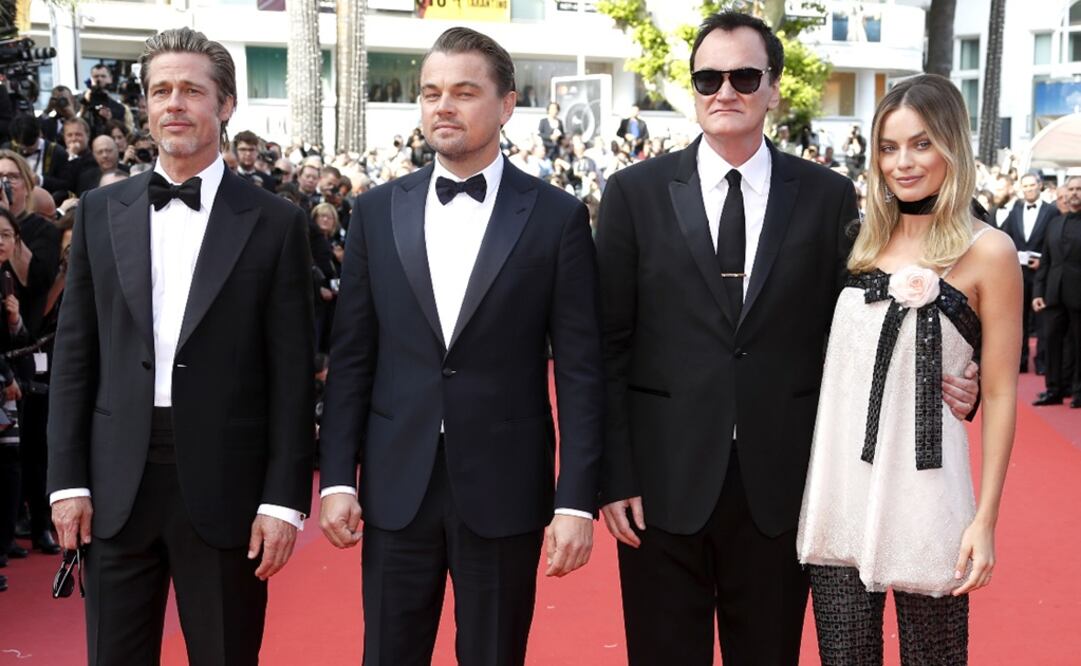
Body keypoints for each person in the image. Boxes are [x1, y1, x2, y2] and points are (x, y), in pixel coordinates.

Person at [594, 13, 979, 665]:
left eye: (744, 76)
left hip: (786, 484)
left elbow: (863, 324)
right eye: (708, 77)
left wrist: (953, 376)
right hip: (659, 485)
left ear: (772, 89)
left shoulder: (826, 197)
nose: (725, 91)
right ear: (691, 88)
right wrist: (613, 474)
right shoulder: (633, 194)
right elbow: (606, 344)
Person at [318, 26, 603, 666]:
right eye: (431, 92)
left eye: (464, 92)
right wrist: (337, 475)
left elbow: (584, 372)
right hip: (396, 483)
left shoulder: (557, 217)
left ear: (505, 106)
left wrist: (577, 497)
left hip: (506, 486)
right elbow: (354, 355)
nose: (443, 106)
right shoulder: (376, 210)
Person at [47, 27, 314, 666]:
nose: (174, 103)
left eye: (192, 90)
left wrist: (284, 501)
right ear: (145, 105)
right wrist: (65, 483)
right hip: (116, 486)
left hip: (229, 487)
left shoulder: (277, 223)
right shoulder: (98, 211)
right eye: (161, 90)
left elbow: (293, 374)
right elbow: (75, 356)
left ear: (224, 105)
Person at [796, 73, 1019, 665]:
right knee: (844, 657)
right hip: (840, 487)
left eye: (921, 144)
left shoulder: (989, 251)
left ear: (952, 144)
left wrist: (985, 519)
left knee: (935, 657)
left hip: (929, 492)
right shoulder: (857, 242)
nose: (904, 163)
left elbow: (998, 391)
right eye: (889, 148)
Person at [1033, 175, 1081, 407]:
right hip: (1054, 294)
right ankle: (1054, 390)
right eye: (1071, 189)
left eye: (1079, 189)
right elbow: (1046, 261)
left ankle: (1078, 391)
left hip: (1078, 294)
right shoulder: (1055, 223)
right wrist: (1038, 292)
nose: (1074, 193)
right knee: (1052, 342)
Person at [1002, 172, 1056, 373]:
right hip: (1018, 274)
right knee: (1018, 320)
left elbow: (1055, 240)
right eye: (1025, 186)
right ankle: (1021, 361)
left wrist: (1042, 260)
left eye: (1032, 185)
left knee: (1042, 321)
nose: (1029, 189)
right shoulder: (1015, 210)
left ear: (1040, 185)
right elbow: (1005, 237)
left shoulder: (1052, 211)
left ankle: (1042, 362)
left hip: (1042, 275)